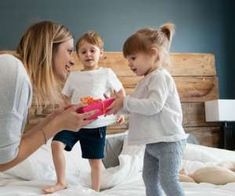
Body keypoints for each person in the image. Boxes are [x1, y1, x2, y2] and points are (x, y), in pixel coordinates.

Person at [0, 21, 96, 172]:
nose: (72, 61)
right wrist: (56, 125)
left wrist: (52, 120)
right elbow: (3, 161)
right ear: (48, 49)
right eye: (69, 51)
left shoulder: (19, 75)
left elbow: (9, 149)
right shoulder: (13, 71)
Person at [107, 23, 187, 196]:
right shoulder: (146, 80)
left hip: (168, 141)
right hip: (153, 142)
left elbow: (153, 106)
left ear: (153, 53)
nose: (129, 63)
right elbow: (138, 106)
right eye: (128, 59)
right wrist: (117, 107)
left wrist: (125, 101)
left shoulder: (160, 77)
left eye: (133, 58)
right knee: (149, 179)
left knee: (168, 180)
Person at [43, 31, 125, 193]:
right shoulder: (73, 77)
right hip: (73, 122)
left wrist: (120, 112)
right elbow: (65, 98)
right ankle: (61, 182)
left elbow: (120, 94)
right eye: (83, 51)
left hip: (96, 125)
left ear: (101, 53)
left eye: (92, 50)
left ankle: (95, 190)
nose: (88, 54)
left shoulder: (107, 73)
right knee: (56, 144)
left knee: (94, 161)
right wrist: (62, 112)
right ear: (78, 55)